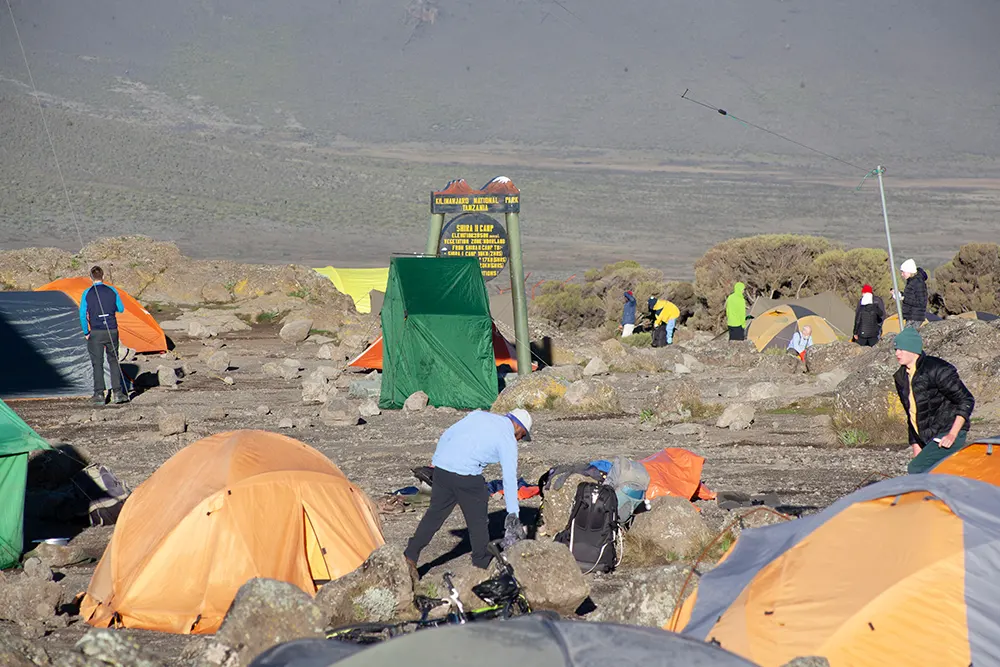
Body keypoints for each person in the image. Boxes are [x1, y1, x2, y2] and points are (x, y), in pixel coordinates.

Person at [405, 409, 532, 576]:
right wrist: (513, 513)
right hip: (467, 477)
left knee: (434, 516)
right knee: (478, 523)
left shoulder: (478, 415)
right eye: (523, 435)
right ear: (518, 426)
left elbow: (448, 434)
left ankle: (410, 555)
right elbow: (509, 478)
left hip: (442, 471)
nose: (520, 439)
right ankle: (481, 564)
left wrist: (436, 463)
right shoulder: (507, 438)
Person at [892, 328, 975, 474]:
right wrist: (916, 445)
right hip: (927, 436)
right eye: (896, 349)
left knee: (916, 469)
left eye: (901, 349)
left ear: (913, 349)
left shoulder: (937, 368)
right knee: (927, 471)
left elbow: (966, 400)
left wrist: (952, 434)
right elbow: (911, 413)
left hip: (949, 432)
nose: (897, 353)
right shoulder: (901, 377)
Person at [80, 266, 127, 405]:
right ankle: (118, 393)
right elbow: (121, 309)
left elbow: (82, 315)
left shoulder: (87, 293)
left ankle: (99, 394)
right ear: (103, 276)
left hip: (96, 332)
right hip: (112, 330)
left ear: (90, 278)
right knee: (114, 360)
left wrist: (86, 332)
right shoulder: (112, 290)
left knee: (97, 363)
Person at [899, 259, 928, 328]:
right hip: (911, 316)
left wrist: (904, 299)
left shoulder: (918, 282)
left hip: (915, 317)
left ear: (909, 271)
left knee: (908, 334)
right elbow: (911, 296)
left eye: (903, 272)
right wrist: (900, 294)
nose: (902, 274)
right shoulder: (911, 281)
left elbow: (921, 302)